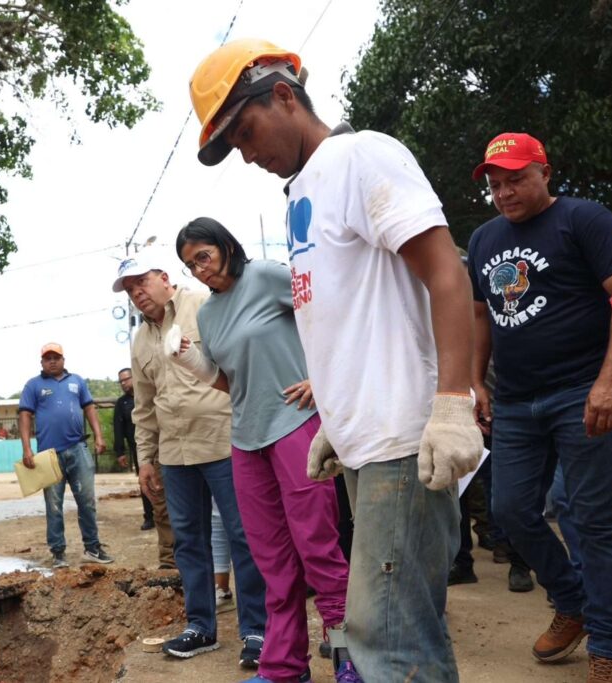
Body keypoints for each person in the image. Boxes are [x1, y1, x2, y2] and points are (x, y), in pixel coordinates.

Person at [189, 39, 480, 683]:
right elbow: (344, 323)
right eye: (233, 144)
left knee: (389, 642)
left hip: (402, 440)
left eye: (246, 130)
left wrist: (455, 401)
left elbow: (446, 273)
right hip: (363, 444)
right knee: (400, 635)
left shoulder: (359, 156)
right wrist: (333, 418)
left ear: (285, 96)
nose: (247, 152)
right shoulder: (302, 195)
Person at [468, 132, 612, 682]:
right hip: (517, 401)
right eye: (496, 184)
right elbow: (481, 315)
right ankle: (571, 601)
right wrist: (476, 381)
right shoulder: (482, 239)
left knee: (593, 520)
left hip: (582, 391)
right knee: (510, 513)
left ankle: (610, 649)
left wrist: (611, 381)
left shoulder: (583, 218)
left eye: (516, 178)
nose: (505, 192)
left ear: (546, 172)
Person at [170, 219, 348, 683]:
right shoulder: (208, 315)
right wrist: (196, 364)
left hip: (295, 423)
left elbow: (332, 314)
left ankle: (353, 660)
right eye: (190, 266)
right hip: (246, 439)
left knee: (318, 548)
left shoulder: (267, 276)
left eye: (203, 257)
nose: (200, 270)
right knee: (272, 560)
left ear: (227, 245)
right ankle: (285, 667)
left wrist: (323, 379)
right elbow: (231, 379)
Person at [112, 251, 267, 668]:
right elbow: (143, 406)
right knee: (188, 541)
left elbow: (242, 364)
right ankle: (200, 626)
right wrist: (146, 459)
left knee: (243, 535)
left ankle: (257, 630)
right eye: (129, 289)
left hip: (224, 442)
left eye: (141, 282)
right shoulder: (141, 340)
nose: (137, 293)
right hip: (175, 454)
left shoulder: (205, 306)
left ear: (164, 277)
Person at [18, 342, 114, 568]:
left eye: (56, 357)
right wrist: (26, 448)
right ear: (41, 362)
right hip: (49, 456)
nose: (52, 361)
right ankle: (58, 553)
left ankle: (92, 548)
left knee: (87, 502)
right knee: (54, 505)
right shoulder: (33, 385)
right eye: (47, 358)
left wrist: (99, 436)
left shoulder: (77, 381)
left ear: (63, 360)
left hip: (78, 450)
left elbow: (89, 408)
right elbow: (24, 415)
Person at [113, 367, 158, 534]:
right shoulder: (122, 403)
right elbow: (118, 428)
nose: (124, 383)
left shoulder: (148, 395)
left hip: (159, 445)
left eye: (126, 379)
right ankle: (149, 516)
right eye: (121, 381)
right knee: (145, 481)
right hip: (138, 449)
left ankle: (165, 514)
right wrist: (120, 452)